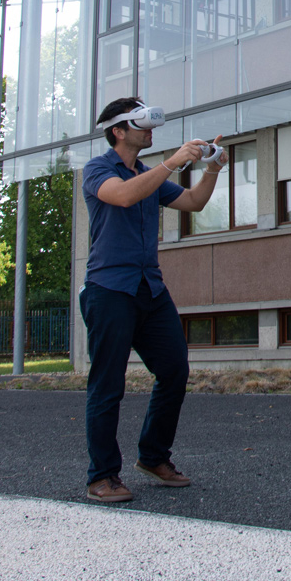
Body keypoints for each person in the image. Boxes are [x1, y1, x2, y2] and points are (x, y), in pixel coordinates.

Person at [79, 99, 230, 502]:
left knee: (174, 370)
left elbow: (194, 202)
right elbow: (124, 197)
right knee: (108, 385)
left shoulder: (148, 175)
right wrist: (172, 162)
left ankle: (153, 456)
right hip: (109, 290)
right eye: (141, 126)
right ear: (118, 131)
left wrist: (213, 167)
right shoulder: (98, 169)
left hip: (150, 290)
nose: (151, 132)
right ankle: (102, 476)